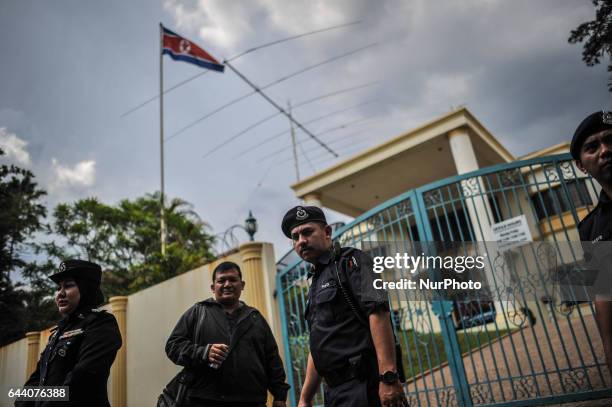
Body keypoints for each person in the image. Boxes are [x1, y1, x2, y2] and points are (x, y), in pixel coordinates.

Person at [281, 205, 408, 407]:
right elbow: (319, 344)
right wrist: (305, 398)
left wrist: (389, 378)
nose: (301, 241)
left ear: (327, 232)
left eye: (307, 232)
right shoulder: (314, 282)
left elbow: (378, 313)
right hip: (335, 392)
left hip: (365, 386)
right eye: (295, 237)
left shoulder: (352, 261)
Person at [165, 261, 289, 407]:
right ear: (213, 287)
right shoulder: (198, 312)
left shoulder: (255, 318)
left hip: (251, 401)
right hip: (204, 400)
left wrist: (279, 396)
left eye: (233, 280)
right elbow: (173, 346)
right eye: (221, 280)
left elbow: (272, 359)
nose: (227, 284)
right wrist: (203, 352)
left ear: (242, 285)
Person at [16, 260, 122, 407]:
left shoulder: (101, 323)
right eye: (58, 288)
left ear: (86, 289)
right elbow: (38, 378)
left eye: (68, 285)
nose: (60, 293)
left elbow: (82, 377)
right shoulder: (58, 333)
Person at [571, 109, 612, 372]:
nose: (605, 150)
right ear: (582, 165)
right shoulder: (590, 227)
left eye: (610, 140)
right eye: (592, 147)